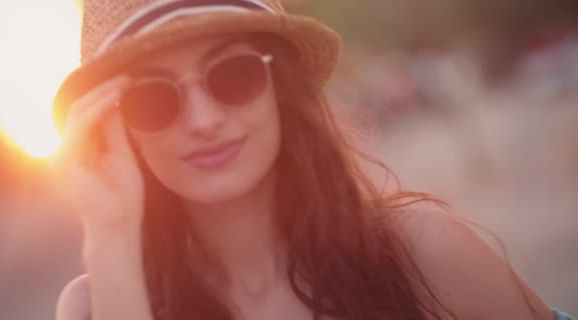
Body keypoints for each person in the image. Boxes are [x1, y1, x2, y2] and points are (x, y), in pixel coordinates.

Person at [51, 0, 574, 319]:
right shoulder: (93, 306)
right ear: (117, 130)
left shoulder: (422, 253)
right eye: (153, 100)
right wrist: (110, 233)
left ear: (279, 87)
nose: (204, 118)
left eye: (233, 74)